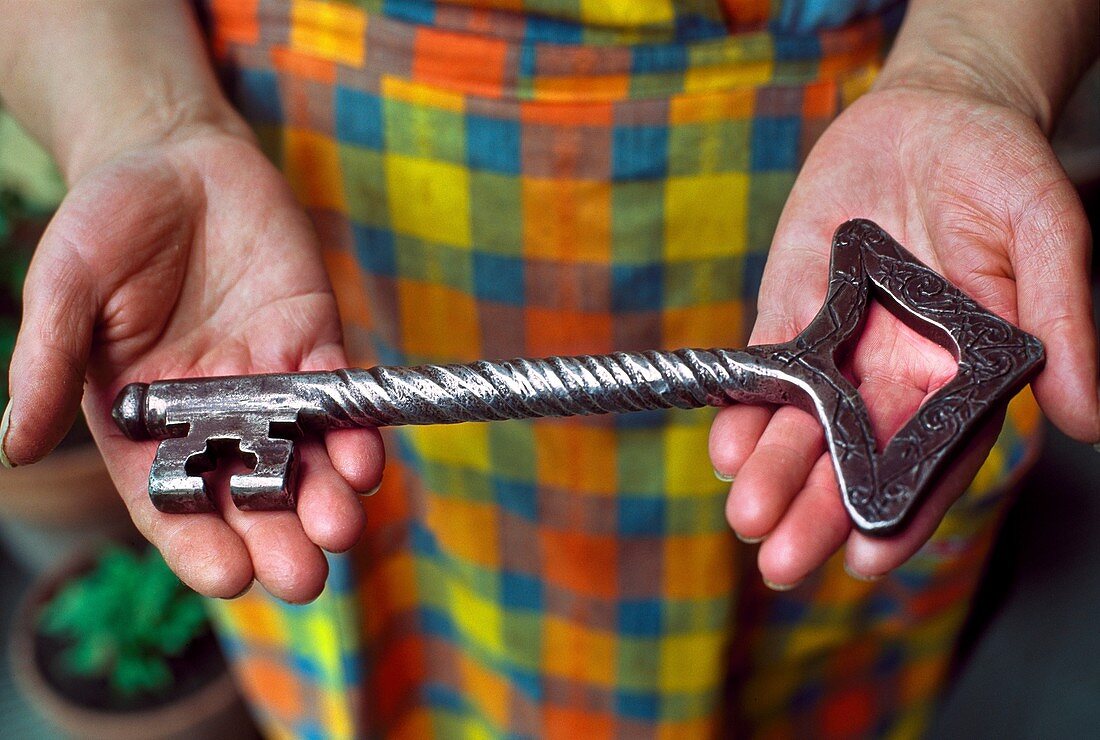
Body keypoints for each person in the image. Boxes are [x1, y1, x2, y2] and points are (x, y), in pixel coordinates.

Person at [1, 0, 1096, 735]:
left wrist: (975, 60)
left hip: (815, 163)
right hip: (287, 222)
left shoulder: (852, 276)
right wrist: (143, 115)